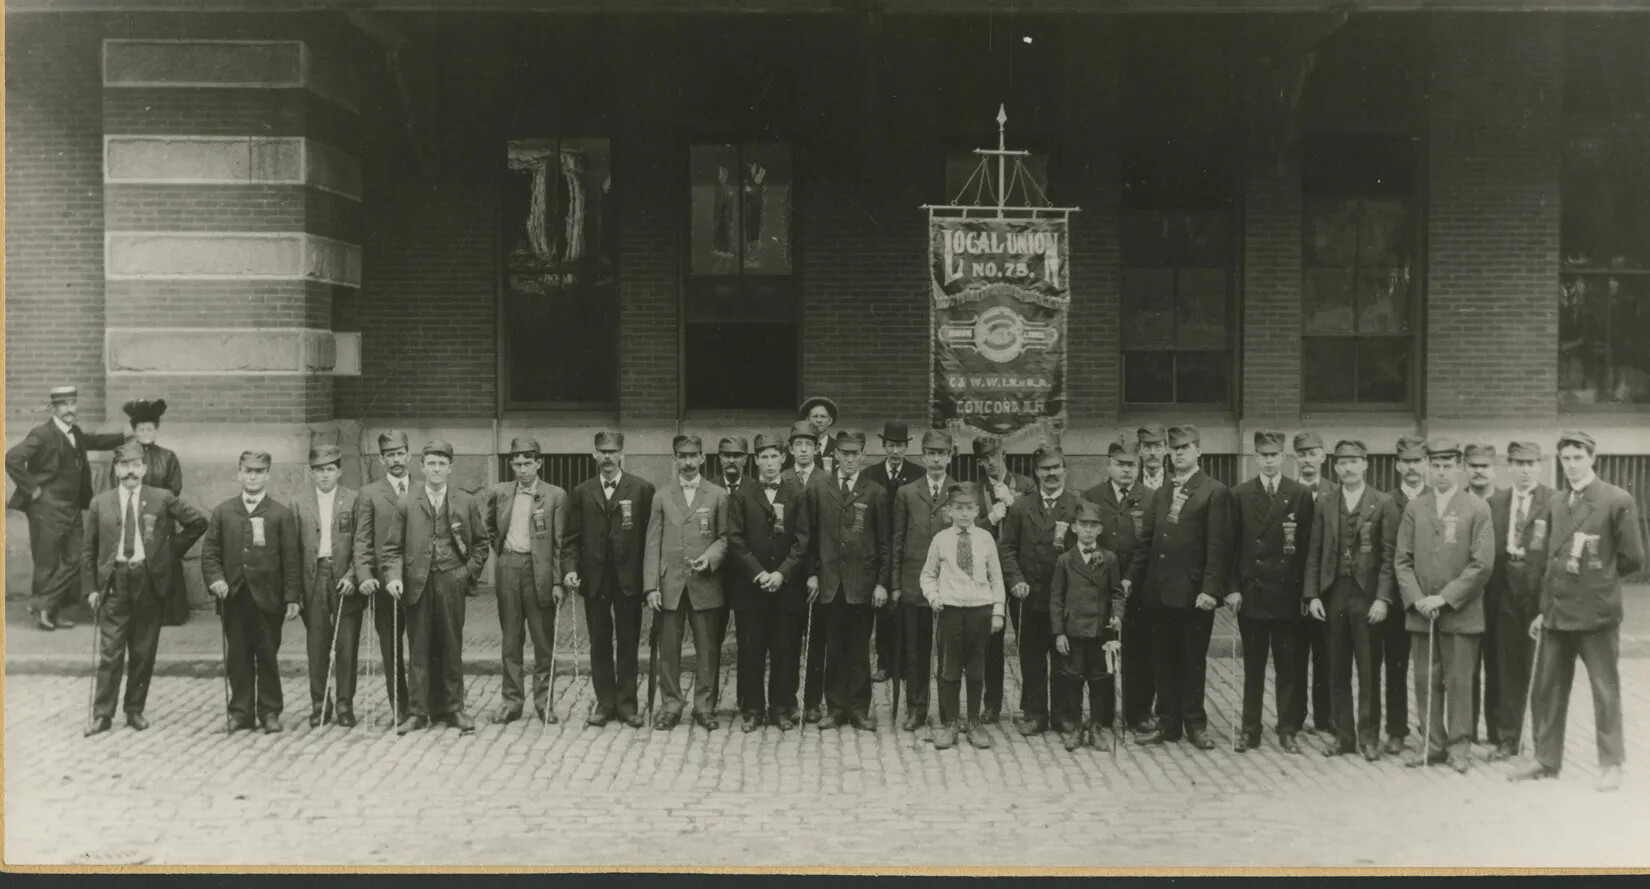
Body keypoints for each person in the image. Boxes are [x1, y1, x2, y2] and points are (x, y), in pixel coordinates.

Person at [1512, 431, 1643, 793]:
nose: (1571, 465)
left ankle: (1611, 764)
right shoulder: (1557, 502)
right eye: (1565, 458)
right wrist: (1543, 610)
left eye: (1577, 457)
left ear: (1592, 457)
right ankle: (1546, 759)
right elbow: (1548, 559)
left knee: (1605, 690)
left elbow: (1633, 558)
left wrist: (1597, 581)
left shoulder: (1616, 500)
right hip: (1556, 613)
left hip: (1596, 615)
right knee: (1549, 689)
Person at [81, 441, 207, 734]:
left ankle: (134, 710)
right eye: (125, 466)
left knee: (143, 651)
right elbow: (88, 551)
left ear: (145, 469)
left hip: (149, 583)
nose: (130, 472)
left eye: (136, 466)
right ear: (116, 470)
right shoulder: (101, 503)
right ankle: (102, 714)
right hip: (114, 584)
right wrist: (91, 588)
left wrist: (167, 551)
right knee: (110, 652)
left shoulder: (162, 498)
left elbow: (198, 522)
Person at [1395, 438, 1495, 773]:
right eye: (1435, 466)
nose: (1441, 473)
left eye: (1448, 466)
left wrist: (1446, 597)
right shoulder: (1416, 508)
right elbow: (1402, 561)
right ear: (1427, 467)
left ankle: (1459, 746)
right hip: (1423, 613)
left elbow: (1481, 564)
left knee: (1460, 680)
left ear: (1459, 469)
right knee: (1426, 679)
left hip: (1460, 613)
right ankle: (1432, 744)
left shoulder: (1477, 509)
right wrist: (1418, 599)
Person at [1134, 425, 1231, 750]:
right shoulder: (1162, 491)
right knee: (1163, 660)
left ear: (1198, 451)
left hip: (1193, 595)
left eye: (1185, 448)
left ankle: (1195, 724)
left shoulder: (1213, 491)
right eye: (1174, 449)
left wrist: (1210, 590)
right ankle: (1168, 723)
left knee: (1192, 660)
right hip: (1160, 593)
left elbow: (1218, 547)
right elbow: (1149, 541)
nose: (1178, 453)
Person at [384, 440, 489, 735]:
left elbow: (482, 544)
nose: (436, 468)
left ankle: (453, 708)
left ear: (450, 468)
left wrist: (465, 573)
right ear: (421, 467)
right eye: (431, 463)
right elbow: (392, 548)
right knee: (418, 646)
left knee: (451, 645)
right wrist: (393, 576)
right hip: (417, 582)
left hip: (451, 581)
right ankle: (418, 711)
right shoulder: (407, 502)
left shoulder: (465, 501)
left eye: (442, 463)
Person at [1304, 440, 1400, 760]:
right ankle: (1343, 736)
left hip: (1367, 596)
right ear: (1335, 467)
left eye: (1354, 462)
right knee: (1337, 667)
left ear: (1365, 464)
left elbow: (1389, 556)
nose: (1347, 468)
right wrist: (1313, 594)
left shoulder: (1383, 502)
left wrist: (1383, 599)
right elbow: (1314, 551)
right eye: (1342, 463)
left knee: (1370, 668)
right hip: (1335, 594)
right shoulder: (1326, 502)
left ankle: (1369, 736)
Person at [6, 385, 130, 631]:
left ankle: (45, 604)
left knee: (76, 558)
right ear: (54, 408)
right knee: (47, 563)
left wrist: (123, 436)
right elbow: (12, 458)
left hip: (71, 508)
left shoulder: (75, 432)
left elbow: (93, 441)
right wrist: (31, 488)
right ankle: (49, 614)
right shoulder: (42, 434)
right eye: (64, 405)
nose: (70, 409)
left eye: (73, 404)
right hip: (46, 509)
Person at [201, 450, 302, 733]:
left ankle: (269, 711)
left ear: (268, 475)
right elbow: (210, 553)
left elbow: (290, 560)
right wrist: (216, 580)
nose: (253, 476)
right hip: (234, 597)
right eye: (248, 471)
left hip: (268, 599)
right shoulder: (223, 512)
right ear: (239, 474)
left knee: (267, 655)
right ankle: (240, 711)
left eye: (259, 471)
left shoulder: (280, 514)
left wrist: (292, 597)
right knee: (238, 656)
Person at [1227, 431, 1316, 754]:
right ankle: (1249, 728)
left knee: (1288, 667)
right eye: (1262, 455)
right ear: (1255, 458)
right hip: (1253, 593)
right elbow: (1232, 546)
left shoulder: (1300, 494)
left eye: (1274, 455)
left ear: (1283, 458)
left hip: (1287, 596)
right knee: (1253, 666)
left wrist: (1307, 594)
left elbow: (1308, 549)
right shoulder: (1240, 494)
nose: (1268, 461)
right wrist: (1233, 589)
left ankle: (1287, 728)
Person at [798, 429, 891, 731]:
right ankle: (835, 708)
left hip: (861, 585)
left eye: (855, 454)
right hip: (829, 582)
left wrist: (881, 582)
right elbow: (808, 537)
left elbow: (884, 543)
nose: (850, 459)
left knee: (860, 649)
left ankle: (859, 709)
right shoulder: (819, 489)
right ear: (835, 455)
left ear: (863, 456)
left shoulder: (875, 492)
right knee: (833, 648)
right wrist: (812, 573)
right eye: (845, 453)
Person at [562, 431, 655, 728]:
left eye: (612, 452)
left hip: (629, 580)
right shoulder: (582, 491)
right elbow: (571, 539)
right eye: (602, 452)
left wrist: (648, 580)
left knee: (628, 642)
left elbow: (649, 539)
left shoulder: (642, 490)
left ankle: (627, 705)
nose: (607, 458)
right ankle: (604, 703)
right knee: (599, 642)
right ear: (594, 455)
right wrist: (571, 569)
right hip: (595, 580)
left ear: (622, 455)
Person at [643, 434, 731, 731]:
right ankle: (671, 706)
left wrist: (711, 557)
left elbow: (726, 538)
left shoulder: (718, 495)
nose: (688, 462)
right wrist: (651, 586)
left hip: (705, 584)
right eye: (682, 456)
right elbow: (652, 543)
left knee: (707, 649)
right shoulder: (662, 496)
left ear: (703, 458)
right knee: (669, 650)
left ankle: (704, 707)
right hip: (670, 585)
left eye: (694, 456)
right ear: (675, 460)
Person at [997, 444, 1085, 737]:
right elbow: (1007, 548)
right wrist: (1015, 580)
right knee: (1031, 657)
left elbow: (1086, 550)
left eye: (1056, 467)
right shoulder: (1021, 506)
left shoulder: (1077, 506)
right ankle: (1034, 713)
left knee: (1065, 658)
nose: (1051, 474)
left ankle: (1065, 714)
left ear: (1065, 469)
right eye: (1045, 469)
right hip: (1028, 597)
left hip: (1064, 600)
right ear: (1036, 473)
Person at [727, 432, 809, 731]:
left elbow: (802, 540)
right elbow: (735, 540)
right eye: (764, 457)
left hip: (786, 588)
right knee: (751, 650)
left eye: (775, 456)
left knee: (785, 649)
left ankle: (781, 707)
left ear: (783, 458)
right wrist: (759, 573)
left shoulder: (796, 494)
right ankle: (753, 709)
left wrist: (782, 573)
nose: (770, 462)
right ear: (756, 460)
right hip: (753, 588)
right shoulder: (741, 495)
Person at [486, 437, 567, 724]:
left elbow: (559, 543)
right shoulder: (500, 492)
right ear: (511, 464)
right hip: (509, 566)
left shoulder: (555, 495)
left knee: (543, 641)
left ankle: (544, 702)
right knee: (511, 639)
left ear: (539, 463)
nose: (522, 469)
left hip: (540, 572)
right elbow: (486, 527)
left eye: (528, 463)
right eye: (517, 464)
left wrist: (557, 582)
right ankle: (512, 702)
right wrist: (502, 551)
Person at [920, 483, 1006, 750]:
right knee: (950, 668)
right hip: (951, 611)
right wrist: (934, 597)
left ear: (978, 510)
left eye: (970, 509)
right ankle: (951, 723)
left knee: (977, 668)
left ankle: (974, 723)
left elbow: (996, 577)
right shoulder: (941, 540)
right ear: (949, 511)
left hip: (980, 610)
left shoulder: (985, 539)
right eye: (959, 509)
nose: (965, 514)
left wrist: (998, 611)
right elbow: (927, 575)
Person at [1484, 441, 1554, 761]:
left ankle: (1542, 740)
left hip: (1536, 590)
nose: (1524, 471)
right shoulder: (1496, 501)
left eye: (1530, 464)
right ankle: (1508, 737)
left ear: (1539, 465)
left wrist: (1546, 602)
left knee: (1538, 667)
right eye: (1518, 464)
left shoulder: (1553, 501)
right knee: (1506, 665)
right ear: (1508, 466)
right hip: (1504, 590)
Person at [889, 429, 958, 731]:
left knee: (947, 651)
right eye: (930, 454)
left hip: (950, 585)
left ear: (950, 457)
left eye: (941, 454)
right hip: (914, 584)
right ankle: (916, 708)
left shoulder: (959, 493)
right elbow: (897, 540)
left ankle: (947, 709)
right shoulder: (907, 492)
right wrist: (894, 584)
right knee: (915, 652)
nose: (935, 460)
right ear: (923, 456)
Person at [1085, 440, 1154, 735]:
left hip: (1137, 589)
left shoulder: (1151, 498)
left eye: (1131, 465)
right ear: (1108, 465)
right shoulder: (1092, 496)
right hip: (1103, 587)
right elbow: (1089, 541)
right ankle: (1101, 715)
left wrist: (1130, 579)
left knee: (1139, 652)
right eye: (1120, 464)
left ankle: (1137, 713)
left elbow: (1147, 544)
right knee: (1102, 651)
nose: (1126, 470)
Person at [1051, 499, 1128, 752]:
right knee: (1072, 679)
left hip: (1099, 631)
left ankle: (1095, 727)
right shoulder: (1065, 560)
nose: (1087, 530)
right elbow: (1057, 598)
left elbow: (1117, 593)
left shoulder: (1109, 558)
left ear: (1100, 530)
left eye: (1093, 525)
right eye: (1083, 525)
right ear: (1073, 528)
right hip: (1073, 630)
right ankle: (1074, 727)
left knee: (1099, 679)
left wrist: (1117, 615)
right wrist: (1059, 632)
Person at [352, 430, 417, 723]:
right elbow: (362, 540)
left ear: (409, 455)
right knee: (391, 647)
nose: (396, 460)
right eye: (390, 455)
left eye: (400, 453)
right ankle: (400, 708)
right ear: (381, 459)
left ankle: (423, 705)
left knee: (423, 645)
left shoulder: (423, 488)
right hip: (384, 584)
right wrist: (365, 575)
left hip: (419, 582)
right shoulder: (369, 494)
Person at [296, 445, 361, 728]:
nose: (325, 475)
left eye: (330, 469)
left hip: (344, 578)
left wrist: (352, 575)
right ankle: (320, 704)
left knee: (346, 645)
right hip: (314, 578)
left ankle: (345, 705)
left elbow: (363, 543)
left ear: (339, 471)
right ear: (312, 473)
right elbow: (292, 550)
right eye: (319, 470)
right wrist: (296, 591)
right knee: (317, 645)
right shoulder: (298, 504)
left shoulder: (354, 500)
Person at [109, 399, 189, 626]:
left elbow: (174, 489)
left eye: (150, 428)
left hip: (160, 518)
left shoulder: (168, 457)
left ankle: (168, 614)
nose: (146, 433)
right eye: (141, 429)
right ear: (134, 431)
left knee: (164, 562)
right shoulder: (124, 457)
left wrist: (156, 507)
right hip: (132, 518)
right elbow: (115, 486)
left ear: (156, 430)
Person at [973, 436, 1035, 724]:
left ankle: (1030, 704)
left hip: (1019, 571)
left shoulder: (1025, 486)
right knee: (991, 641)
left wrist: (1016, 505)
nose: (990, 462)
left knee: (1027, 640)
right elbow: (969, 530)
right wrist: (991, 518)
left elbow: (1037, 524)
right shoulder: (975, 491)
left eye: (994, 455)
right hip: (988, 574)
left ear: (1004, 453)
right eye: (984, 458)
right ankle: (992, 704)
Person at [1373, 434, 1428, 755]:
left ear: (1427, 465)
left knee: (1430, 668)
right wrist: (1383, 596)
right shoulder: (1384, 503)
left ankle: (1432, 728)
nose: (1412, 468)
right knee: (1395, 666)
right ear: (1397, 465)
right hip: (1395, 600)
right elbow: (1381, 553)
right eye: (1406, 462)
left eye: (1417, 461)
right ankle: (1396, 730)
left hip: (1427, 599)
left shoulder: (1439, 499)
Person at [866, 421, 925, 683]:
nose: (895, 451)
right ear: (884, 446)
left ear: (906, 448)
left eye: (900, 446)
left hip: (906, 547)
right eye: (891, 445)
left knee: (906, 606)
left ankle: (906, 663)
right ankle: (884, 661)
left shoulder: (917, 474)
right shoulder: (871, 474)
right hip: (879, 547)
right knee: (882, 607)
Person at [786, 419, 831, 722]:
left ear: (816, 449)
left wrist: (814, 570)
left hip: (818, 574)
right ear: (790, 449)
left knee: (817, 641)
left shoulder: (827, 482)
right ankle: (788, 699)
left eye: (808, 445)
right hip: (788, 573)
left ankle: (813, 700)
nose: (803, 450)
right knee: (788, 639)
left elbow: (824, 532)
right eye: (798, 444)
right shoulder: (782, 478)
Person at [1290, 430, 1335, 737]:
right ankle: (1294, 716)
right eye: (1302, 454)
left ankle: (1325, 716)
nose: (1308, 460)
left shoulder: (1336, 491)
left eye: (1313, 453)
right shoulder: (1289, 491)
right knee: (1294, 654)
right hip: (1293, 586)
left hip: (1327, 587)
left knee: (1326, 653)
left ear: (1323, 457)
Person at [1463, 442, 1502, 747]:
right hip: (1465, 598)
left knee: (1498, 664)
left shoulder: (1505, 503)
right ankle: (1467, 730)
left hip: (1499, 597)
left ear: (1495, 469)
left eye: (1484, 466)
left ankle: (1498, 730)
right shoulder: (1457, 502)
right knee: (1467, 667)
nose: (1479, 472)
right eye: (1473, 466)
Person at [797, 395, 839, 474]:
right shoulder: (796, 448)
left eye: (823, 417)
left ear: (830, 421)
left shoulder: (839, 447)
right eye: (815, 416)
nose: (819, 420)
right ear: (807, 420)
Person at [1135, 425, 1168, 493]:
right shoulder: (1131, 483)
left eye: (1158, 446)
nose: (1153, 452)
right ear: (1139, 450)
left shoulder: (1175, 483)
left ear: (1165, 449)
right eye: (1147, 446)